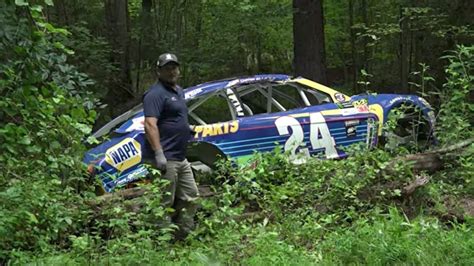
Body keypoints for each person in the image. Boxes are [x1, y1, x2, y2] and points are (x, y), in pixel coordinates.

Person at [143, 53, 198, 239]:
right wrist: (158, 153)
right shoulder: (155, 94)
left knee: (191, 196)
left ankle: (182, 237)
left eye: (174, 67)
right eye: (167, 68)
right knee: (163, 202)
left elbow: (174, 118)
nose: (171, 71)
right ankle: (161, 244)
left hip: (180, 156)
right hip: (166, 157)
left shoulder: (178, 91)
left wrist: (186, 129)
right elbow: (150, 124)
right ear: (158, 71)